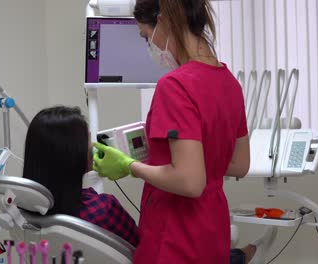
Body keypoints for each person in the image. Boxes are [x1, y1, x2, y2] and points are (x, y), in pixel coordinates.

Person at [92, 0, 251, 263]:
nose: (150, 47)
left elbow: (190, 181)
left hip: (175, 238)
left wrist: (129, 165)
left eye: (146, 36)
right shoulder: (229, 82)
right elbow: (239, 164)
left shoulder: (175, 85)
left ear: (163, 21)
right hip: (212, 232)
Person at [22, 106, 139, 246]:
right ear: (74, 153)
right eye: (89, 139)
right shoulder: (103, 209)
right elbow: (141, 250)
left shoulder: (25, 211)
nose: (93, 146)